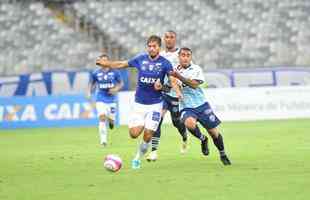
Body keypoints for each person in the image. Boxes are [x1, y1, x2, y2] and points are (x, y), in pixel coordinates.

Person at [96, 35, 182, 169]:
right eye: (149, 46)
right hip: (139, 105)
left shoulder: (165, 63)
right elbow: (121, 64)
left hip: (156, 104)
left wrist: (176, 91)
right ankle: (142, 128)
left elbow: (172, 81)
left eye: (154, 46)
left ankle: (137, 158)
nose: (151, 48)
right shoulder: (140, 59)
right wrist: (106, 64)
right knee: (134, 134)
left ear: (159, 47)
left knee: (148, 135)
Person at [169, 47, 231, 165]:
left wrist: (178, 76)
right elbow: (171, 83)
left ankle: (222, 153)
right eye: (183, 55)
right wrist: (165, 86)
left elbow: (194, 85)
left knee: (214, 133)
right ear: (179, 57)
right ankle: (203, 139)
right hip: (186, 106)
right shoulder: (174, 70)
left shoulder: (196, 69)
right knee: (189, 123)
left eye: (188, 55)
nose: (185, 57)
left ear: (191, 57)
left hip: (201, 105)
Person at [147, 31, 188, 162]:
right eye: (166, 37)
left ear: (175, 39)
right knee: (157, 120)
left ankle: (185, 136)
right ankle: (154, 152)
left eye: (171, 37)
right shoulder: (160, 54)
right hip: (163, 93)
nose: (169, 40)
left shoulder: (181, 54)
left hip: (176, 94)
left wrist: (180, 85)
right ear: (164, 39)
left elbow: (187, 70)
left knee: (177, 122)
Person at [87, 54, 124, 147]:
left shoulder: (115, 72)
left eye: (105, 60)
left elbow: (121, 83)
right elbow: (91, 83)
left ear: (108, 61)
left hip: (111, 99)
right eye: (101, 60)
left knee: (111, 119)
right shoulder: (96, 73)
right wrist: (88, 92)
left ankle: (111, 122)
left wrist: (115, 89)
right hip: (100, 98)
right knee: (102, 117)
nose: (103, 61)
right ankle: (103, 141)